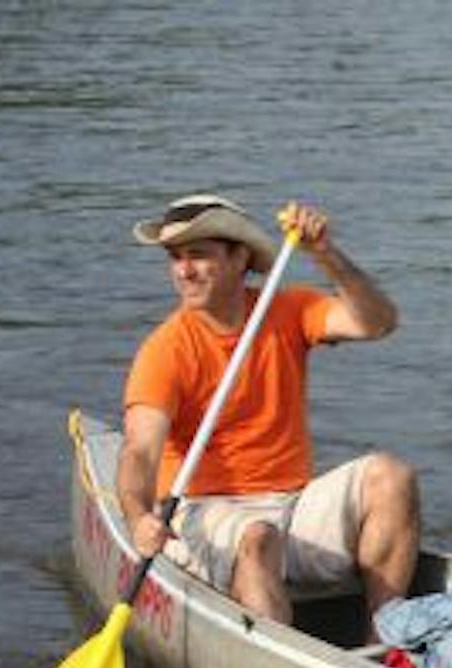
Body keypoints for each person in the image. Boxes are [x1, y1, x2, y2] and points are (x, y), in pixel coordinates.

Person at [116, 193, 419, 636]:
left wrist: (325, 255)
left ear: (241, 259)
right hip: (205, 513)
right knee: (259, 538)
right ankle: (285, 667)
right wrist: (138, 517)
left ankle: (385, 642)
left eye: (198, 255)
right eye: (175, 257)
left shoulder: (288, 310)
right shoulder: (165, 350)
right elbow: (140, 452)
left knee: (392, 478)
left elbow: (378, 322)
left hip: (293, 505)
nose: (183, 270)